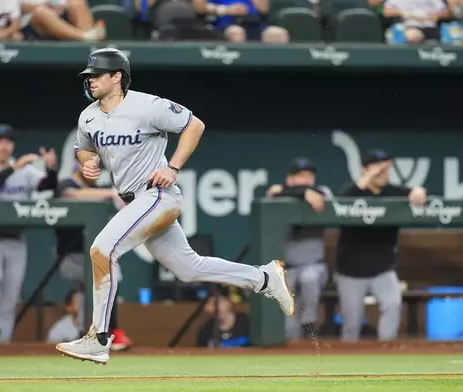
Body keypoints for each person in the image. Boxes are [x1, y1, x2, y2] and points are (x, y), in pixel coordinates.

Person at [55, 48, 295, 365]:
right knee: (189, 268)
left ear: (117, 77)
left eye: (97, 75)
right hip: (134, 199)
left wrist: (173, 167)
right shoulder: (88, 116)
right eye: (89, 76)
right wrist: (87, 164)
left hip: (156, 194)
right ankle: (264, 278)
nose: (91, 81)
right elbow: (84, 150)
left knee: (102, 249)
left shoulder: (147, 105)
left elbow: (194, 125)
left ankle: (99, 338)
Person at [0, 124, 57, 343]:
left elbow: (47, 186)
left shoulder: (25, 170)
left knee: (11, 294)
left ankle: (3, 340)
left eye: (8, 141)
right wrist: (13, 168)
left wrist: (51, 169)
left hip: (16, 239)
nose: (4, 145)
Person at [335, 149, 427, 341]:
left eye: (386, 169)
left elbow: (416, 194)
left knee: (393, 304)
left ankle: (386, 350)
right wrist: (369, 175)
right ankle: (345, 365)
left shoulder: (394, 192)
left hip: (382, 269)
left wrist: (418, 192)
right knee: (351, 324)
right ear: (365, 170)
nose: (383, 173)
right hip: (350, 270)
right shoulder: (350, 191)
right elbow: (343, 200)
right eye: (378, 169)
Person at [54, 160, 132, 351]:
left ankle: (103, 334)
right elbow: (71, 195)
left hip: (93, 255)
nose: (95, 172)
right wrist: (110, 194)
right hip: (70, 257)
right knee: (105, 277)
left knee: (109, 278)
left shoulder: (99, 187)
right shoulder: (66, 184)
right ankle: (105, 333)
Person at [266, 158, 328, 340]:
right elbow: (272, 192)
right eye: (301, 176)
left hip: (314, 265)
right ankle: (291, 352)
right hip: (288, 269)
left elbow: (322, 196)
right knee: (288, 322)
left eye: (310, 176)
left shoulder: (321, 194)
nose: (307, 180)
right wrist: (302, 193)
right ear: (290, 179)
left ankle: (309, 323)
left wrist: (305, 192)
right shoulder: (280, 196)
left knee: (309, 277)